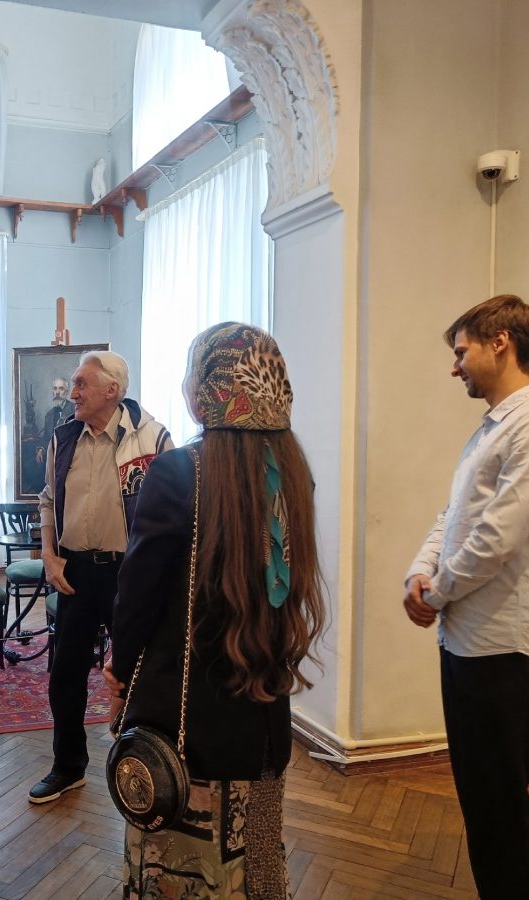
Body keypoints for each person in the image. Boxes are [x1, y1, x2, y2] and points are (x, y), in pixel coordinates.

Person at [105, 322, 326, 898]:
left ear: (211, 385)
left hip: (185, 718)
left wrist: (119, 671)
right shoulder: (291, 469)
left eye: (191, 371)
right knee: (255, 864)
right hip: (262, 711)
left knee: (181, 871)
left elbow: (137, 596)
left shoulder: (179, 471)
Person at [403, 294, 529, 900]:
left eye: (462, 351)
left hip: (504, 647)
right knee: (482, 805)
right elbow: (455, 516)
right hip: (467, 640)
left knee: (499, 810)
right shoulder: (494, 427)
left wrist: (438, 593)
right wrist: (419, 573)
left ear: (500, 342)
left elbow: (499, 535)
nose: (455, 367)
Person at [30, 350, 173, 803]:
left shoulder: (153, 438)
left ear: (112, 390)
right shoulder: (64, 438)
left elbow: (174, 512)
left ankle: (146, 766)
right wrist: (49, 555)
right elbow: (48, 499)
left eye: (81, 384)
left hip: (130, 575)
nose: (72, 392)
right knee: (65, 674)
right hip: (75, 572)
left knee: (138, 673)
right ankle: (68, 766)